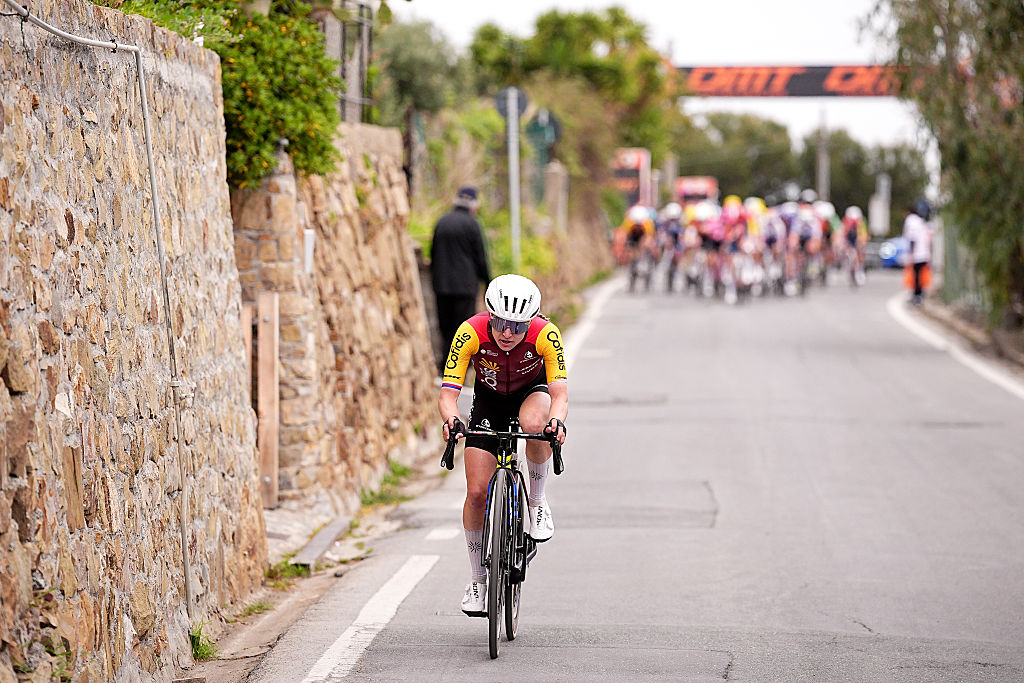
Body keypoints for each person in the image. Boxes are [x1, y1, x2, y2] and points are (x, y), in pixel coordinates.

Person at [438, 274, 568, 616]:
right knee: (477, 492)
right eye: (499, 322)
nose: (506, 332)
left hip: (531, 394)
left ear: (532, 322)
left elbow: (559, 394)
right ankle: (479, 581)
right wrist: (452, 419)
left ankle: (537, 503)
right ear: (489, 315)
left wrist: (557, 422)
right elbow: (449, 393)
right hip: (489, 401)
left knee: (535, 425)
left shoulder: (546, 335)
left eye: (516, 325)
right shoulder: (469, 332)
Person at [430, 186, 491, 367]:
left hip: (441, 285)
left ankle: (444, 365)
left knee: (445, 326)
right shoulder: (473, 224)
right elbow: (481, 257)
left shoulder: (442, 221)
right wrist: (488, 283)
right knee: (463, 328)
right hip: (465, 286)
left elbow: (433, 253)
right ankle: (461, 366)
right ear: (473, 204)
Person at [902, 199, 933, 305]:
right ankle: (919, 294)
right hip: (924, 252)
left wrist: (911, 254)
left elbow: (912, 238)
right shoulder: (921, 221)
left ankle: (916, 295)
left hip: (917, 253)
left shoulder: (911, 220)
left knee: (916, 275)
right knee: (920, 274)